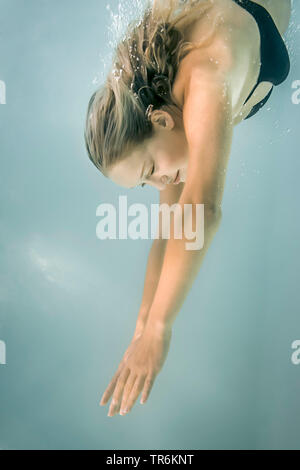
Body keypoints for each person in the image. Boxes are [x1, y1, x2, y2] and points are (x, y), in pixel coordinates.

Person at [84, 0, 292, 417]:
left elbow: (203, 209)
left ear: (161, 121)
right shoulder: (167, 120)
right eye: (147, 184)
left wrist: (160, 330)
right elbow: (170, 229)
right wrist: (142, 325)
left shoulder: (205, 76)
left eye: (151, 170)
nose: (160, 183)